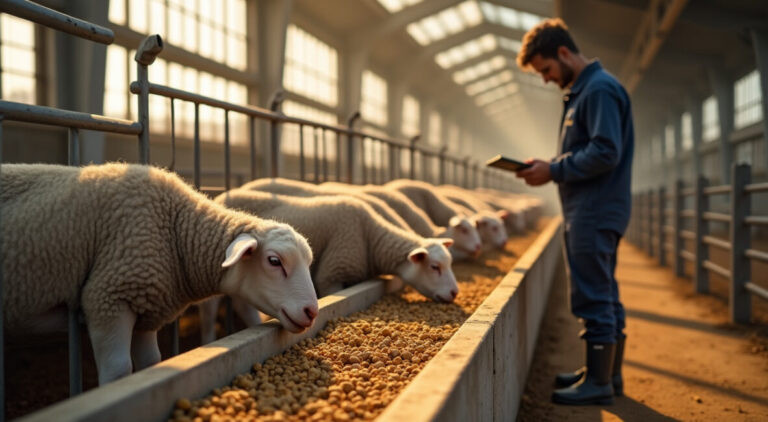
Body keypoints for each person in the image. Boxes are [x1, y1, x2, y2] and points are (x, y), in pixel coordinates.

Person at [514, 18, 634, 406]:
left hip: (594, 209)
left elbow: (605, 151)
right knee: (605, 292)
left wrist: (554, 169)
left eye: (546, 70)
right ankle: (605, 375)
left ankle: (599, 384)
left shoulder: (597, 90)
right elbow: (595, 149)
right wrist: (552, 165)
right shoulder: (588, 91)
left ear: (564, 53)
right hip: (595, 206)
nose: (547, 80)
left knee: (592, 294)